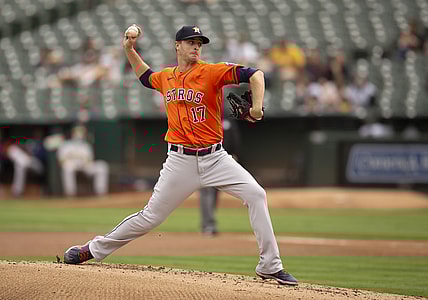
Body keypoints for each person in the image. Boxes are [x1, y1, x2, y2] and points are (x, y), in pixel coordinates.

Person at [63, 25, 298, 286]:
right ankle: (93, 250)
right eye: (190, 42)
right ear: (177, 46)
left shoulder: (212, 72)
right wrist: (129, 49)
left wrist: (256, 108)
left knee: (256, 194)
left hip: (216, 157)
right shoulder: (167, 77)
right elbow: (144, 76)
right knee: (150, 217)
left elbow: (256, 74)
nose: (196, 46)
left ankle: (270, 265)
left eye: (199, 43)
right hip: (180, 161)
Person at [199, 117, 240, 236]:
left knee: (214, 193)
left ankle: (208, 224)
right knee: (207, 192)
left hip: (224, 160)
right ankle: (208, 225)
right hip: (206, 158)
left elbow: (235, 138)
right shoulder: (204, 116)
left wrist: (235, 154)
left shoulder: (227, 120)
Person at [57, 125, 109, 197]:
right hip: (72, 165)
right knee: (67, 168)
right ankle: (70, 193)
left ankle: (100, 192)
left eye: (81, 132)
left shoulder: (86, 146)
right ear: (72, 133)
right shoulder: (66, 145)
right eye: (77, 132)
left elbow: (90, 160)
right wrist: (69, 162)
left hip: (85, 166)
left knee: (102, 166)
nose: (79, 135)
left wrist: (86, 164)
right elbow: (61, 160)